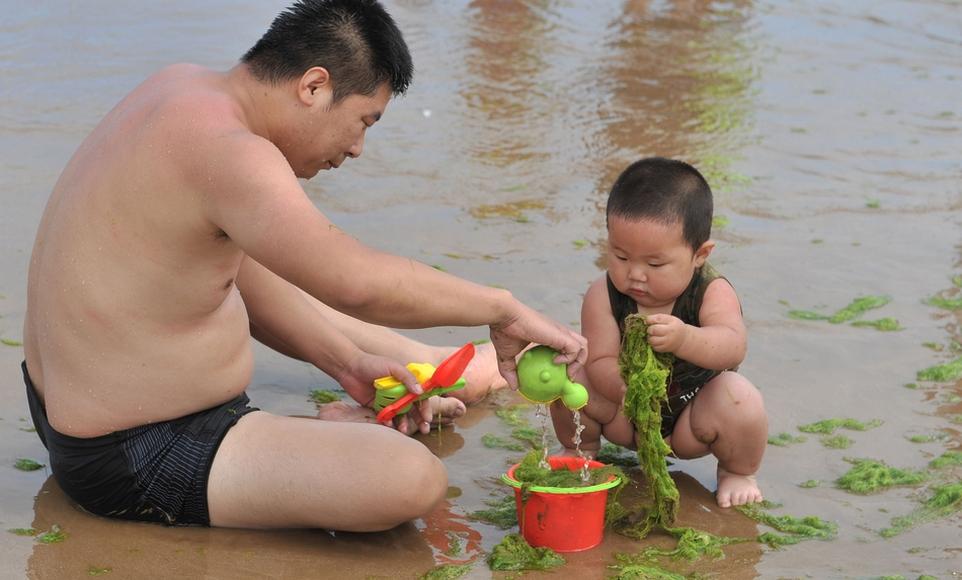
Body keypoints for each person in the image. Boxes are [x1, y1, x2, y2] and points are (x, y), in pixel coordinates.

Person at [21, 0, 586, 532]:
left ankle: (382, 395)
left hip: (69, 416)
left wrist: (347, 363)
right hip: (136, 452)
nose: (359, 147)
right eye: (364, 120)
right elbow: (356, 283)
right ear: (313, 86)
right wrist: (502, 307)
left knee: (231, 252)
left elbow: (234, 270)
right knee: (411, 478)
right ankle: (303, 439)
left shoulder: (181, 88)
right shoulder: (233, 152)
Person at [550, 157, 766, 508]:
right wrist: (627, 390)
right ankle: (579, 449)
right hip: (624, 416)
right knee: (569, 372)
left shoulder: (711, 291)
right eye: (620, 256)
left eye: (654, 264)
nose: (635, 274)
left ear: (700, 254)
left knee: (740, 397)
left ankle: (737, 471)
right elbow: (602, 357)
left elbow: (733, 346)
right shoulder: (602, 294)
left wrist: (685, 339)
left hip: (689, 420)